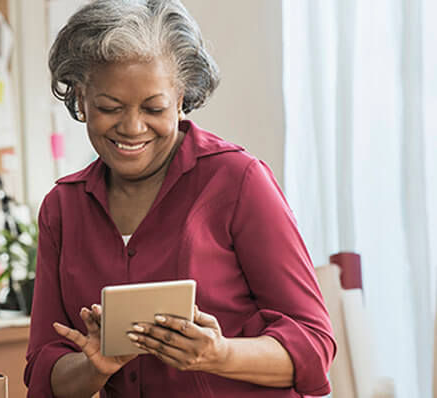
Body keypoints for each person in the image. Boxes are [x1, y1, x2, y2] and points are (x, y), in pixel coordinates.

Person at [25, 1, 336, 396]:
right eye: (109, 107)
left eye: (154, 108)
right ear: (81, 99)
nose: (133, 127)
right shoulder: (63, 207)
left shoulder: (238, 181)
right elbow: (43, 372)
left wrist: (220, 355)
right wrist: (93, 367)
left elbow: (314, 345)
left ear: (182, 97)